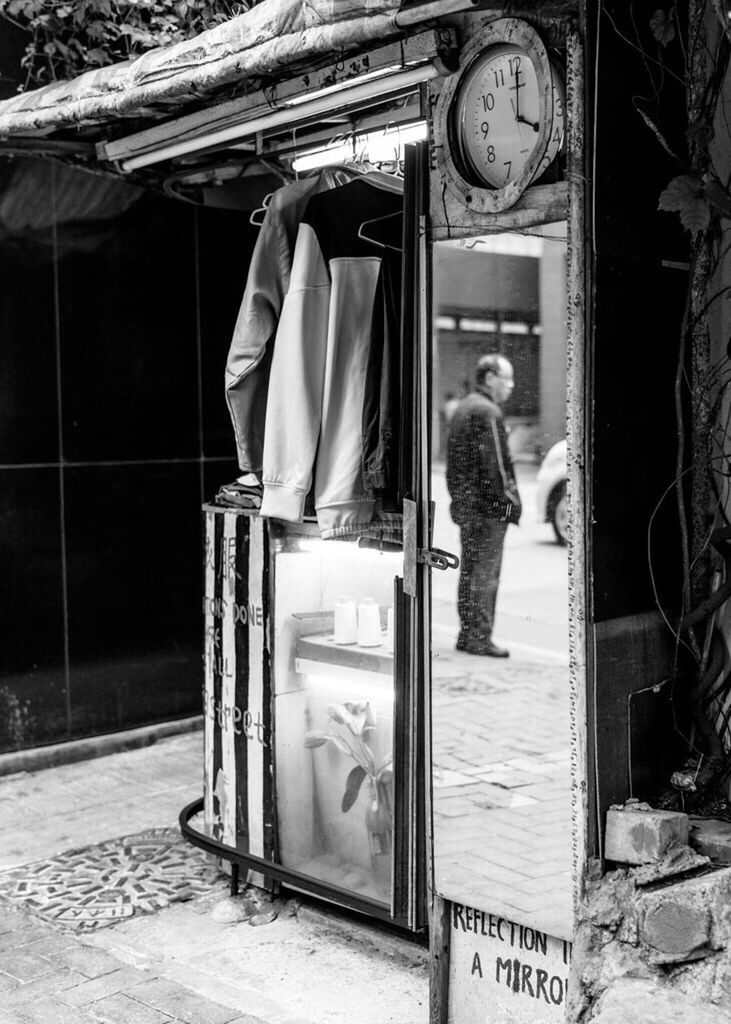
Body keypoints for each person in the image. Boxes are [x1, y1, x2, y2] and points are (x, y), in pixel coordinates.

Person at [446, 354, 521, 657]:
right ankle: (479, 637)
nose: (511, 386)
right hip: (487, 512)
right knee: (485, 575)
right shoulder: (488, 412)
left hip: (467, 508)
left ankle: (468, 634)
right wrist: (510, 506)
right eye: (508, 379)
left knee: (471, 572)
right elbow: (497, 469)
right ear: (490, 378)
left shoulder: (464, 408)